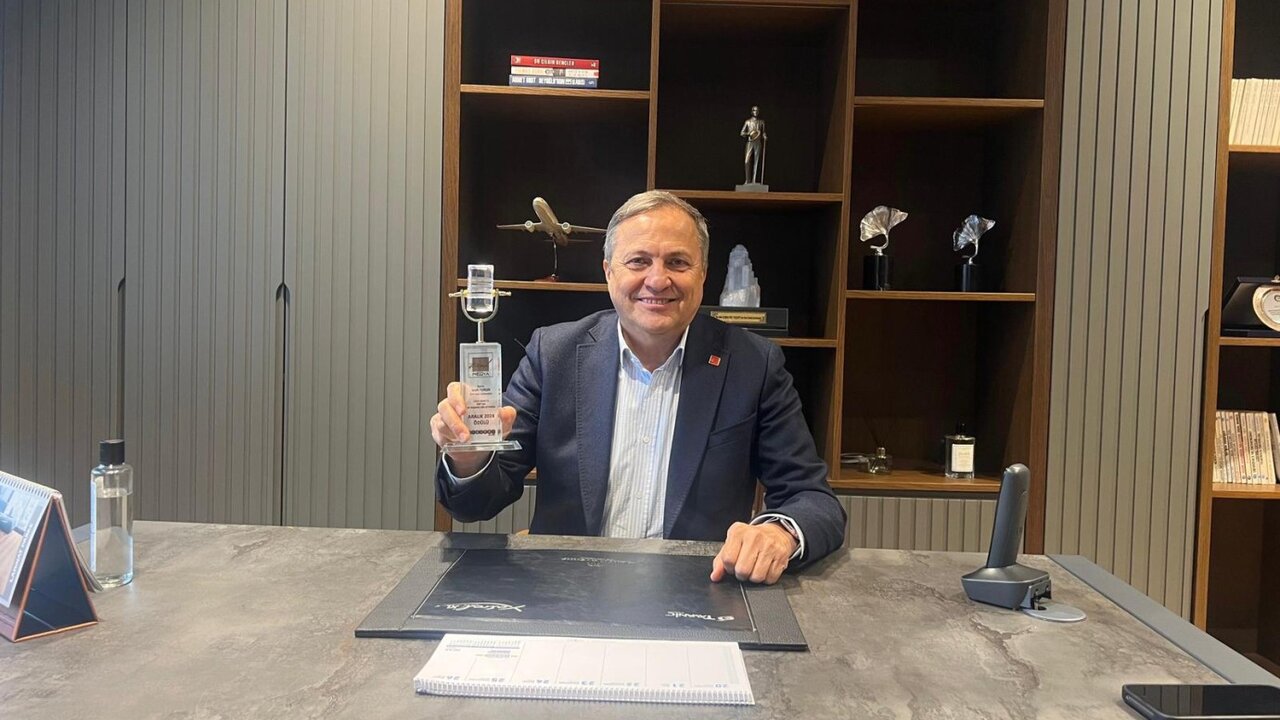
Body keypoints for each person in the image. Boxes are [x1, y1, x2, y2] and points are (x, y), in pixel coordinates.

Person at [430, 190, 845, 585]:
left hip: (697, 596)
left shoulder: (753, 364)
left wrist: (778, 534)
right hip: (566, 595)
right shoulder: (552, 354)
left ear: (703, 274)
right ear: (609, 271)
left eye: (678, 262)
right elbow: (474, 504)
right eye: (638, 261)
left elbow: (813, 499)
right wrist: (469, 459)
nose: (658, 280)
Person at [740, 106, 767, 185]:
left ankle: (754, 180)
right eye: (754, 110)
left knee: (756, 161)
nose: (756, 112)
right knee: (747, 161)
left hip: (758, 143)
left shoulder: (761, 122)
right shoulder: (748, 122)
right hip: (750, 142)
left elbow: (763, 132)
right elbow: (742, 133)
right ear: (752, 111)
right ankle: (747, 180)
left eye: (757, 110)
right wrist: (749, 133)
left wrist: (764, 136)